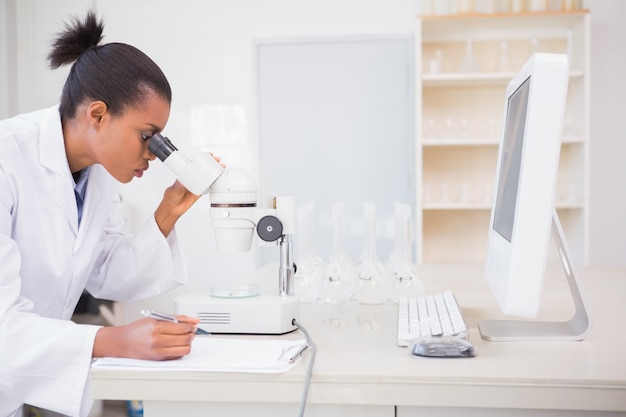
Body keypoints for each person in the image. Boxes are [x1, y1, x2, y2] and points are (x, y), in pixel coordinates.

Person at [0, 11, 216, 417]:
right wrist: (115, 340)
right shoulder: (6, 158)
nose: (153, 152)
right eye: (147, 136)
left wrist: (168, 211)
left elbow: (106, 271)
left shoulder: (95, 176)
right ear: (97, 115)